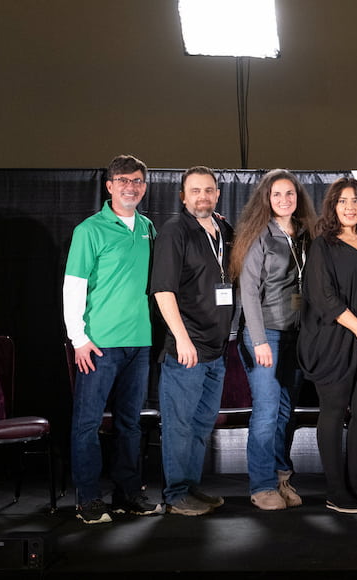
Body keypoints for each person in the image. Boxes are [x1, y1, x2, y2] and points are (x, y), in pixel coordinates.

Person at [64, 154, 161, 524]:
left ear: (144, 187)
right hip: (99, 344)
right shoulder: (90, 230)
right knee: (87, 423)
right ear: (109, 186)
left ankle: (126, 494)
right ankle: (88, 499)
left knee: (130, 424)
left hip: (140, 342)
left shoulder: (148, 228)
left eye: (137, 181)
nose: (130, 187)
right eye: (123, 180)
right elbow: (73, 287)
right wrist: (78, 339)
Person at [298, 177, 357, 514]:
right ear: (332, 207)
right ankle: (335, 491)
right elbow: (324, 296)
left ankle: (355, 487)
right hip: (334, 342)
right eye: (342, 201)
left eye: (355, 200)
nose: (349, 207)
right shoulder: (323, 245)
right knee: (334, 414)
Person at [229, 169, 316, 511]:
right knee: (265, 410)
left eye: (290, 194)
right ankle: (262, 485)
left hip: (297, 333)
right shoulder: (258, 235)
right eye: (277, 194)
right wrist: (260, 340)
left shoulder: (306, 233)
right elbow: (248, 291)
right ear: (266, 198)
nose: (284, 200)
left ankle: (282, 478)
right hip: (263, 333)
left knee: (285, 411)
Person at [150, 166, 234, 516]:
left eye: (209, 190)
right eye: (195, 191)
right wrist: (182, 340)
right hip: (187, 350)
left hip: (216, 350)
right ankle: (175, 494)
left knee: (201, 425)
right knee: (179, 424)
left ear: (217, 193)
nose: (203, 196)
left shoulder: (224, 229)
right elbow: (163, 290)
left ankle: (191, 488)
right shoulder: (174, 231)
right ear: (183, 196)